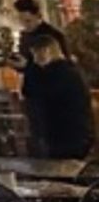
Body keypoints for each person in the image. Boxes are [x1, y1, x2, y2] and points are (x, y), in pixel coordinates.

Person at [23, 33, 95, 161]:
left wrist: (29, 69)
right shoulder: (69, 71)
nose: (35, 60)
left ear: (46, 51)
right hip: (73, 135)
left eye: (36, 55)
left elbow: (35, 92)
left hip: (66, 137)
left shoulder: (58, 74)